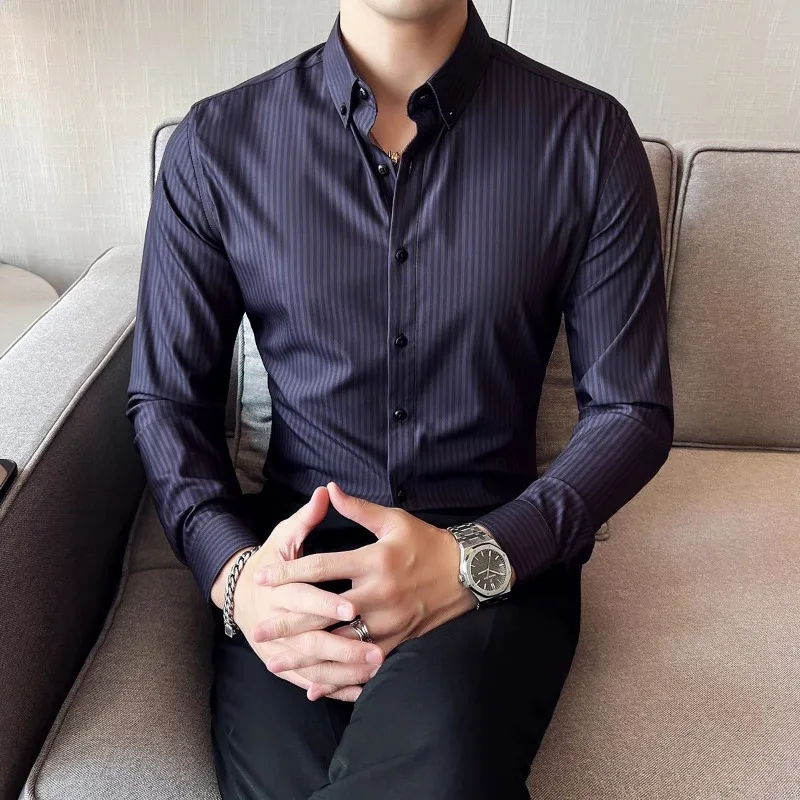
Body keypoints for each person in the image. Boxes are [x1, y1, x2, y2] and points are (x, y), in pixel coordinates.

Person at [127, 0, 674, 797]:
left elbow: (631, 411)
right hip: (295, 561)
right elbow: (166, 401)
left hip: (494, 556)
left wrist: (476, 560)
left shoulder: (587, 137)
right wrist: (237, 575)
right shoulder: (216, 145)